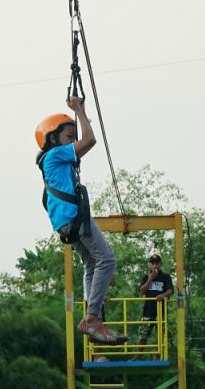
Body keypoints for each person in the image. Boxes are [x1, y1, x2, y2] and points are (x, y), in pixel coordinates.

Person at [35, 97, 128, 345]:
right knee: (107, 260)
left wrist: (81, 114)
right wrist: (78, 110)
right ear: (53, 140)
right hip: (73, 218)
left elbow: (84, 145)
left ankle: (91, 315)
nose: (73, 141)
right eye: (68, 137)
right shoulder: (54, 156)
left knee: (91, 265)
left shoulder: (56, 160)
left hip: (66, 221)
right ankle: (93, 318)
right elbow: (90, 141)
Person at [134, 253, 173, 359]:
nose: (155, 265)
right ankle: (137, 356)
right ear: (149, 265)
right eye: (152, 263)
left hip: (161, 311)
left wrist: (163, 295)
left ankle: (157, 355)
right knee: (143, 335)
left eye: (157, 263)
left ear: (160, 264)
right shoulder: (146, 277)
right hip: (148, 312)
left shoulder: (165, 277)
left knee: (161, 335)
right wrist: (150, 278)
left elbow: (170, 291)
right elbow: (142, 291)